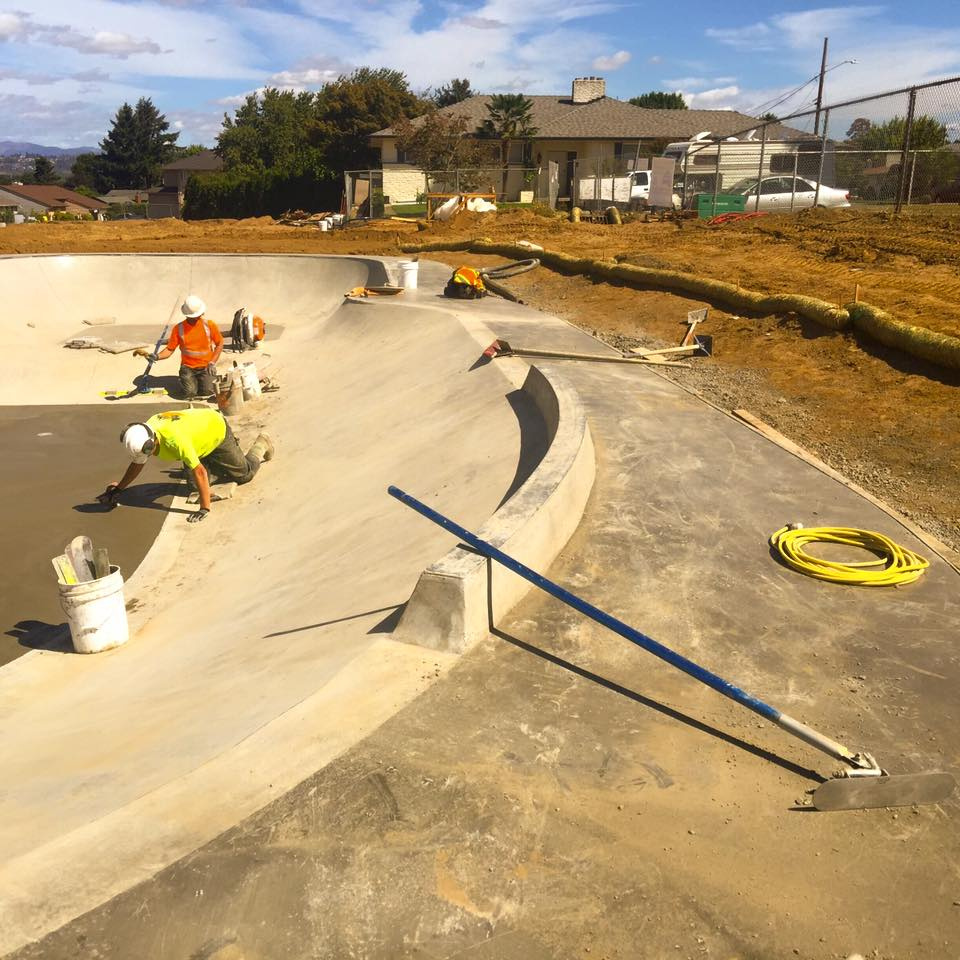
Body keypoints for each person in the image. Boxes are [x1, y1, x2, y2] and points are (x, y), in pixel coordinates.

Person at [98, 409, 274, 523]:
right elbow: (137, 464)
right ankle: (218, 463)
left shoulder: (174, 440)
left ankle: (261, 445)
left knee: (244, 475)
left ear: (152, 443)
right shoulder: (145, 433)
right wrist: (118, 489)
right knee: (193, 487)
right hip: (196, 444)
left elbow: (199, 471)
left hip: (216, 431)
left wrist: (204, 508)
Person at [136, 294, 223, 399]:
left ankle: (200, 381)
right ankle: (185, 381)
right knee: (190, 393)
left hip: (206, 367)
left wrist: (212, 362)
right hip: (188, 368)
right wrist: (157, 356)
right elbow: (169, 349)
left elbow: (219, 344)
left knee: (208, 391)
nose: (197, 317)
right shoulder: (179, 328)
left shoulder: (209, 325)